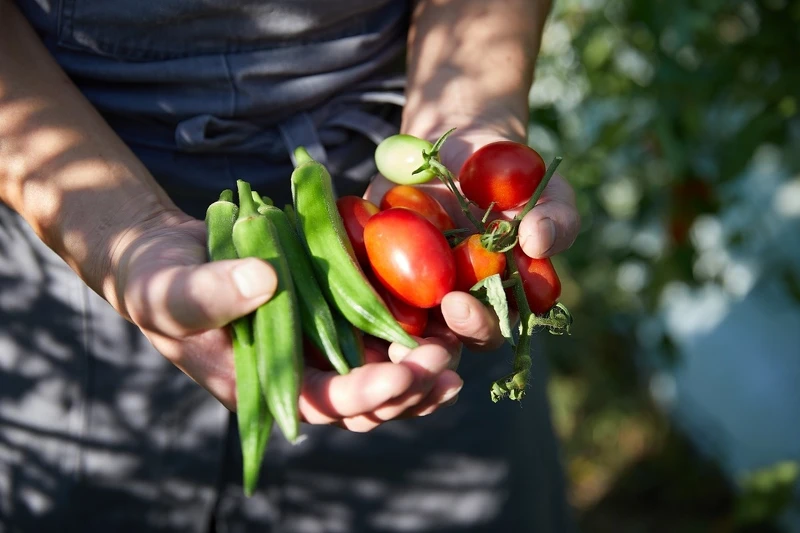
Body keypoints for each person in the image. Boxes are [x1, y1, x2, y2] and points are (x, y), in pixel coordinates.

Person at [0, 0, 581, 531]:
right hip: (74, 221)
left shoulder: (431, 226)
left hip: (397, 206)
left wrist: (468, 117)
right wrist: (121, 232)